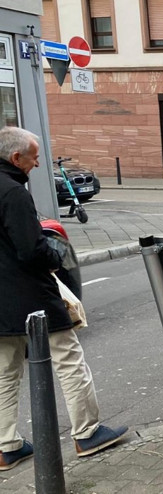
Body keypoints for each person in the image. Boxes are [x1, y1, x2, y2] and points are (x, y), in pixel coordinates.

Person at [0, 127, 128, 470]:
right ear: (15, 158)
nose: (38, 162)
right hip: (31, 296)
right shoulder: (12, 192)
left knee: (4, 372)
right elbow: (30, 251)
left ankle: (6, 445)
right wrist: (54, 252)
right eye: (34, 156)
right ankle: (87, 433)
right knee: (69, 359)